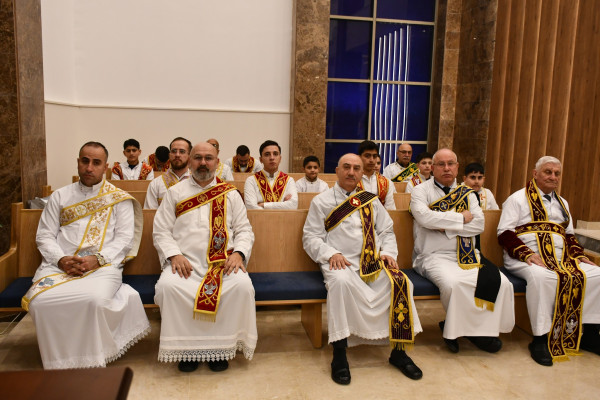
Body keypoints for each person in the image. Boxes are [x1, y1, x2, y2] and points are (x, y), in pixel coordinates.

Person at [22, 142, 149, 369]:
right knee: (40, 302)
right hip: (59, 266)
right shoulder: (60, 196)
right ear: (78, 162)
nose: (89, 167)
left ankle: (92, 358)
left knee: (94, 300)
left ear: (106, 167)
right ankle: (58, 361)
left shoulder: (119, 199)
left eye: (96, 163)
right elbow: (44, 236)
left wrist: (96, 260)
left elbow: (124, 240)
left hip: (102, 266)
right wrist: (61, 259)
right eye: (85, 161)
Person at [303, 153, 423, 385]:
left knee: (401, 282)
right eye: (346, 167)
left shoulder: (371, 200)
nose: (351, 172)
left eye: (356, 168)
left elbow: (386, 231)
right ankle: (339, 354)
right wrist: (331, 253)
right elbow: (311, 237)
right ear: (337, 171)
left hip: (372, 263)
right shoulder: (322, 201)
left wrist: (388, 253)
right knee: (340, 284)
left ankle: (399, 352)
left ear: (361, 172)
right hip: (339, 263)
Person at [153, 141, 256, 373]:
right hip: (185, 264)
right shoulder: (174, 193)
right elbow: (161, 230)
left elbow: (244, 230)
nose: (203, 163)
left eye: (208, 158)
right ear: (190, 161)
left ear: (217, 163)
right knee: (168, 287)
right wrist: (174, 255)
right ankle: (186, 350)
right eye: (198, 158)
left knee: (242, 286)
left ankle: (220, 349)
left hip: (222, 264)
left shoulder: (230, 194)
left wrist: (239, 253)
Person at [497, 156, 600, 366]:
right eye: (548, 172)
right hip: (526, 257)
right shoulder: (517, 199)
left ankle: (589, 334)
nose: (553, 177)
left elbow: (569, 236)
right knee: (542, 278)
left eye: (557, 173)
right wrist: (526, 253)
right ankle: (540, 339)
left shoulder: (563, 203)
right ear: (535, 174)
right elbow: (504, 232)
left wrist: (579, 255)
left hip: (562, 258)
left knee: (597, 275)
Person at [410, 148, 514, 354]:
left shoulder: (468, 194)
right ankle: (457, 330)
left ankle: (481, 330)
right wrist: (460, 219)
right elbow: (424, 218)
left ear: (457, 168)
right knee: (453, 284)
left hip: (468, 255)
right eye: (441, 164)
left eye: (451, 164)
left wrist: (443, 226)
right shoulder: (420, 191)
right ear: (433, 168)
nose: (446, 168)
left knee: (502, 282)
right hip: (432, 256)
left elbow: (479, 225)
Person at [244, 140, 298, 209]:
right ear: (261, 159)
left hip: (282, 217)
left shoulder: (289, 180)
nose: (272, 158)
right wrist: (282, 205)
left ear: (280, 158)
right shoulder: (251, 180)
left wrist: (263, 205)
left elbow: (293, 206)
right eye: (267, 154)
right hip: (259, 217)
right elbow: (251, 207)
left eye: (275, 154)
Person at [144, 137, 192, 209]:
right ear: (169, 155)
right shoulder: (155, 184)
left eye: (182, 151)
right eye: (174, 151)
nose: (177, 155)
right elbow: (150, 213)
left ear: (190, 156)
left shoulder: (197, 182)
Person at [357, 141, 396, 210]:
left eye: (374, 156)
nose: (371, 160)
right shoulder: (352, 180)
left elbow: (390, 209)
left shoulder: (387, 183)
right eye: (367, 156)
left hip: (381, 216)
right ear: (359, 157)